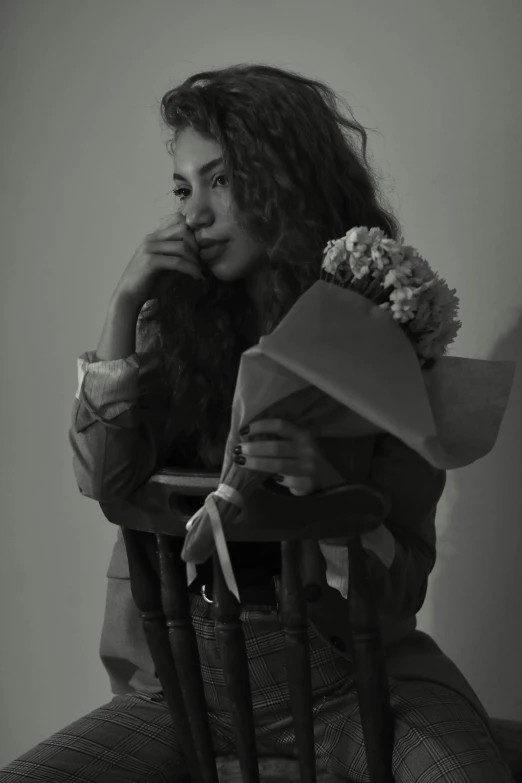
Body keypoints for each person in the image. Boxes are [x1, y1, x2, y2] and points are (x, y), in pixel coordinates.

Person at [0, 64, 514, 782]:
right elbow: (101, 475)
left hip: (355, 689)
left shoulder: (378, 333)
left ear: (286, 181)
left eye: (222, 181)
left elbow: (404, 585)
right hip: (181, 696)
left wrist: (328, 492)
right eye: (183, 187)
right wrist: (122, 304)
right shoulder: (166, 326)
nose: (194, 213)